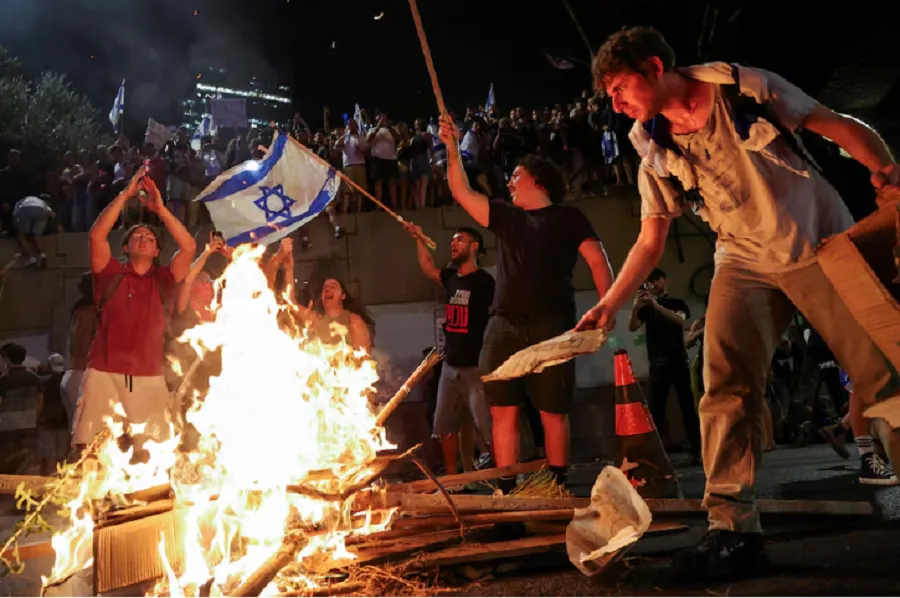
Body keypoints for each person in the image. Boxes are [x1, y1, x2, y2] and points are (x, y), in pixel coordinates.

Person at [577, 26, 900, 578]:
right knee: (724, 382)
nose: (615, 101)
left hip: (818, 246)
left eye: (620, 85)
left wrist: (887, 174)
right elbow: (651, 237)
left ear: (655, 67)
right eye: (608, 93)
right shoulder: (649, 144)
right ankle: (733, 531)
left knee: (881, 379)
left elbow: (834, 124)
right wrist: (610, 302)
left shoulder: (745, 89)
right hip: (743, 259)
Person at [436, 116, 614, 493]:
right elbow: (462, 192)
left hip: (552, 323)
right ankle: (506, 489)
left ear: (538, 180)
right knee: (502, 409)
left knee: (552, 409)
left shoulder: (569, 217)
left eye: (516, 176)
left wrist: (607, 307)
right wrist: (452, 150)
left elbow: (598, 261)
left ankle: (556, 485)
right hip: (503, 324)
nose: (510, 183)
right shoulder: (507, 217)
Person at [71, 167, 196, 458]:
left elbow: (189, 247)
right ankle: (88, 501)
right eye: (137, 236)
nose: (143, 238)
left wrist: (160, 210)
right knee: (90, 450)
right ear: (125, 247)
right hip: (103, 371)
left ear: (156, 252)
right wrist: (125, 195)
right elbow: (96, 237)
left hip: (149, 375)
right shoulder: (110, 274)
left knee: (153, 453)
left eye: (150, 238)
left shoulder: (163, 281)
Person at [405, 222, 495, 476]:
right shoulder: (451, 277)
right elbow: (428, 268)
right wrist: (419, 239)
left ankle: (505, 477)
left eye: (460, 240)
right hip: (449, 363)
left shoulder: (484, 281)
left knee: (485, 426)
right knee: (444, 425)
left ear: (474, 246)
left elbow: (495, 315)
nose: (453, 245)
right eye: (453, 241)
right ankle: (453, 479)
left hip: (475, 365)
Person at [629, 268, 700, 463]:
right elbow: (632, 326)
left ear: (665, 281)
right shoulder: (646, 308)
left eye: (656, 281)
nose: (653, 285)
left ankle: (697, 450)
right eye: (650, 283)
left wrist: (657, 306)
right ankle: (657, 455)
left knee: (688, 408)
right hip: (657, 365)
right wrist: (636, 308)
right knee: (655, 410)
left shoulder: (677, 304)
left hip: (678, 362)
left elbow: (680, 320)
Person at [62, 272, 98, 431]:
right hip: (81, 375)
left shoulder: (83, 311)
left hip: (78, 375)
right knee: (85, 434)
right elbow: (81, 345)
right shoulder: (86, 314)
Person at [38, 354, 69, 475]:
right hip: (64, 422)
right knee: (62, 456)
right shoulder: (67, 379)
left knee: (49, 455)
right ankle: (61, 482)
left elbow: (41, 401)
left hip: (48, 423)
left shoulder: (46, 382)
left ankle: (47, 483)